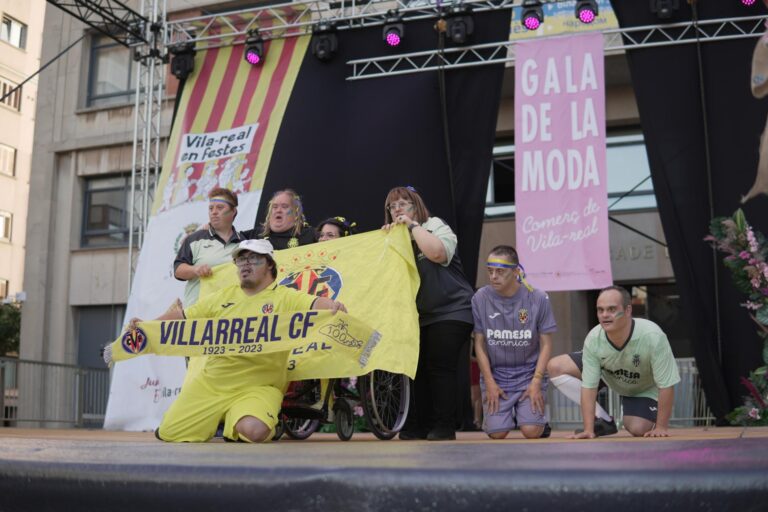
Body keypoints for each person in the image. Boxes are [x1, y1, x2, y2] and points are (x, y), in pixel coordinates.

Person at [132, 239, 347, 443]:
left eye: (253, 259)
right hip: (212, 384)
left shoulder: (285, 297)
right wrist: (146, 325)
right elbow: (183, 316)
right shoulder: (223, 296)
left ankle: (242, 419)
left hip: (259, 386)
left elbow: (315, 303)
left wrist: (333, 306)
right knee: (168, 432)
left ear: (270, 265)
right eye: (241, 260)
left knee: (255, 432)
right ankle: (227, 419)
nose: (245, 264)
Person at [383, 186, 474, 441]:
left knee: (440, 366)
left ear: (416, 206)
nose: (398, 209)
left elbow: (437, 253)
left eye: (404, 203)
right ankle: (418, 425)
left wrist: (413, 226)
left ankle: (445, 426)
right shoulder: (394, 237)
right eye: (393, 206)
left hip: (453, 309)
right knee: (417, 369)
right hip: (419, 316)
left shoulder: (434, 225)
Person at [548, 286, 680, 439]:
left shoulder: (653, 336)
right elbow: (589, 387)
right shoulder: (594, 338)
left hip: (642, 389)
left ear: (628, 310)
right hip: (607, 374)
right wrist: (589, 429)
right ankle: (603, 419)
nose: (605, 315)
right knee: (555, 366)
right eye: (600, 310)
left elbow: (666, 385)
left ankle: (636, 409)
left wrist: (661, 427)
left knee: (638, 428)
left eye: (611, 309)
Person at [472, 245, 556, 439]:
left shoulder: (538, 298)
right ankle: (504, 418)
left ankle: (537, 422)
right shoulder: (480, 298)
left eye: (500, 271)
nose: (493, 276)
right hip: (498, 376)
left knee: (531, 431)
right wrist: (490, 382)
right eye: (490, 271)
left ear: (516, 271)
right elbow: (479, 344)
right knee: (497, 433)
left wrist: (536, 381)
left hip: (529, 374)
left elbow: (546, 344)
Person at [174, 187, 245, 308]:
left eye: (220, 208)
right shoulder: (194, 239)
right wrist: (195, 270)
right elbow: (178, 271)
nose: (214, 212)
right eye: (211, 208)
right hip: (197, 314)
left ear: (233, 211)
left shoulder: (245, 244)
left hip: (231, 315)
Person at [245, 189, 316, 249]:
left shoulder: (310, 235)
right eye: (275, 207)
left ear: (296, 213)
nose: (278, 210)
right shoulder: (256, 235)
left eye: (284, 207)